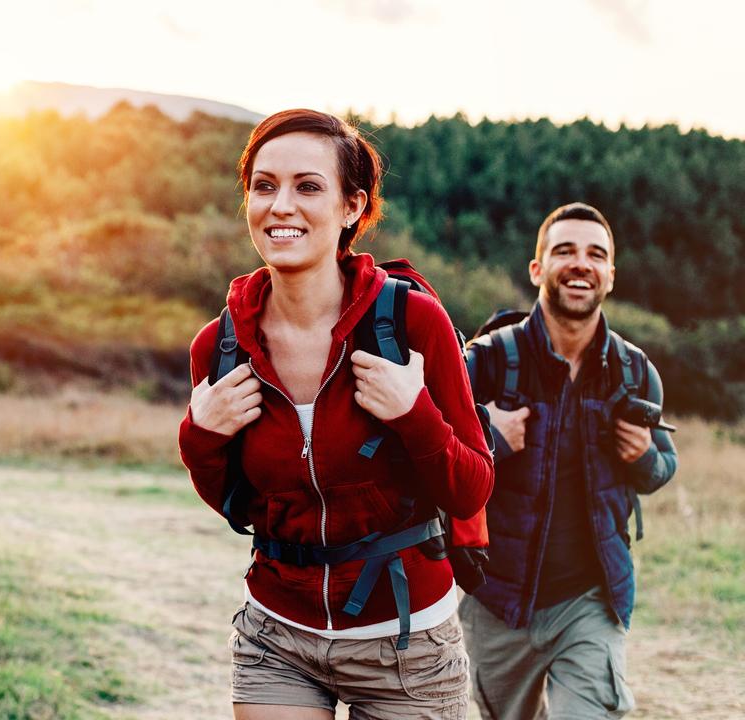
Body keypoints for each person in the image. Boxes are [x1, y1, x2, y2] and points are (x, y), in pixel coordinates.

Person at [178, 108, 494, 719]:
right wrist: (200, 436)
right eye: (264, 186)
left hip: (407, 646)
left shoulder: (411, 325)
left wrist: (414, 414)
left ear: (353, 207)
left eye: (308, 186)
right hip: (277, 636)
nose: (281, 206)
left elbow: (473, 486)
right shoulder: (218, 347)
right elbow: (234, 503)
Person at [460, 202, 678, 719]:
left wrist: (645, 457)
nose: (581, 264)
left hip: (590, 600)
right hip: (496, 599)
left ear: (610, 275)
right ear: (537, 269)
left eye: (595, 254)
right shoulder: (488, 360)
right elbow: (431, 460)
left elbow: (663, 464)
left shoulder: (634, 370)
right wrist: (488, 435)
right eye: (564, 251)